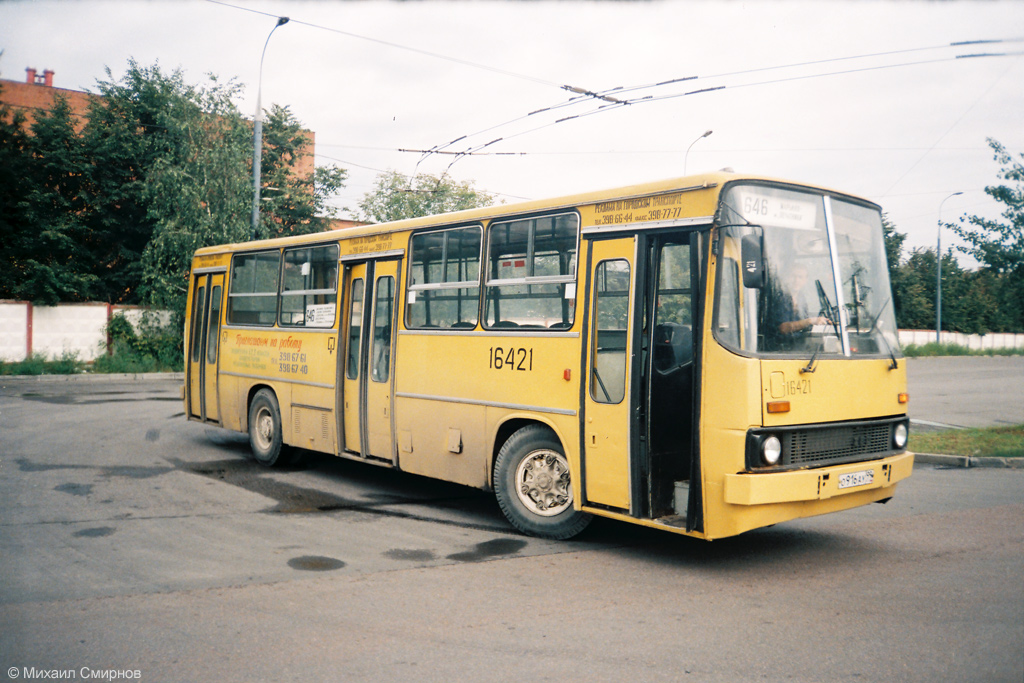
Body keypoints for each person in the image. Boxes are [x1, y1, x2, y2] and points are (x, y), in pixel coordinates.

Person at [768, 263, 831, 346]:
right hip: (779, 348)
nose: (796, 280)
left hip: (797, 345)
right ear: (786, 278)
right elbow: (783, 328)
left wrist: (823, 321)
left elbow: (802, 323)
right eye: (793, 276)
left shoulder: (801, 298)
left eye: (800, 277)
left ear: (805, 280)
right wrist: (810, 321)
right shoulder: (780, 298)